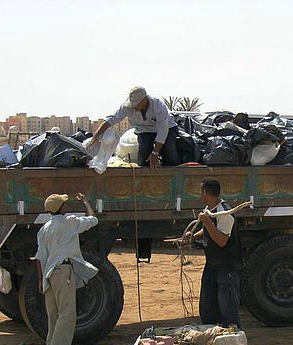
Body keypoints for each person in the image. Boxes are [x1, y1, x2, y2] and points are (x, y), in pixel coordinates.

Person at [35, 193, 98, 345]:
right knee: (67, 314)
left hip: (50, 274)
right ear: (61, 208)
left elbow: (40, 257)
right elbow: (93, 220)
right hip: (63, 272)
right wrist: (85, 202)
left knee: (54, 314)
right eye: (64, 203)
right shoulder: (69, 222)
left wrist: (41, 280)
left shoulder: (44, 229)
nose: (67, 206)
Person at [185, 179, 242, 328]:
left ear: (205, 192)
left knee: (227, 310)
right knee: (208, 307)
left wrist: (207, 222)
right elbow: (208, 230)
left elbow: (221, 240)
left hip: (226, 267)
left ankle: (232, 339)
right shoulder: (209, 210)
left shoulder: (224, 213)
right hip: (212, 264)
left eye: (201, 191)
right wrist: (192, 234)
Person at [90, 86, 180, 168]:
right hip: (144, 130)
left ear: (145, 99)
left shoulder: (158, 105)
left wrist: (155, 152)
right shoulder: (127, 106)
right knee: (144, 153)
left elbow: (162, 131)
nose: (134, 106)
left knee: (169, 151)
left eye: (137, 103)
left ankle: (173, 176)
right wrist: (95, 137)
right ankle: (145, 180)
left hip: (168, 127)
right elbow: (111, 120)